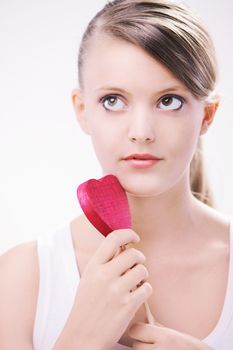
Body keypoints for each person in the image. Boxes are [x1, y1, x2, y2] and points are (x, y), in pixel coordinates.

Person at [0, 0, 232, 349]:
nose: (141, 132)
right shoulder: (21, 278)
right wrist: (80, 339)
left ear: (207, 115)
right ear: (82, 111)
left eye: (169, 101)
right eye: (113, 100)